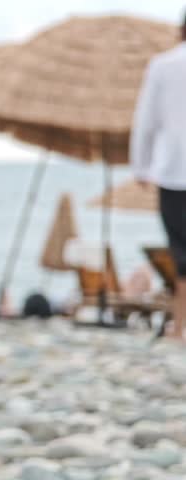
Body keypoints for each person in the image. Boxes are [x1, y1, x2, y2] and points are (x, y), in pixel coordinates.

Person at [131, 11, 186, 340]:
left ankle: (181, 329)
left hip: (174, 173)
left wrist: (141, 166)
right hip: (173, 172)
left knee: (182, 258)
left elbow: (145, 123)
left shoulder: (163, 66)